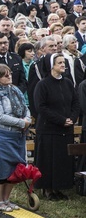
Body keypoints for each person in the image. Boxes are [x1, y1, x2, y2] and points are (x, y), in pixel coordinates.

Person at [0, 64, 32, 211]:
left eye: (10, 73)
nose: (9, 76)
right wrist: (20, 122)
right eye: (5, 75)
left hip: (18, 134)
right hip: (2, 135)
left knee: (15, 168)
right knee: (2, 168)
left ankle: (7, 199)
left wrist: (27, 120)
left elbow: (25, 107)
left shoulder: (15, 90)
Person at [34, 53, 79, 201]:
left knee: (61, 160)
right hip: (49, 130)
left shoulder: (67, 83)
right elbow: (41, 108)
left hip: (66, 129)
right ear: (51, 65)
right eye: (59, 62)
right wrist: (61, 120)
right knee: (48, 161)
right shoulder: (43, 84)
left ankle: (59, 187)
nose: (63, 65)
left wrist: (72, 118)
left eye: (63, 62)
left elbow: (75, 103)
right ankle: (48, 189)